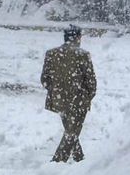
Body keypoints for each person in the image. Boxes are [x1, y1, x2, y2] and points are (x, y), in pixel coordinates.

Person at [41, 25, 97, 162]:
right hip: (79, 100)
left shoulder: (51, 53)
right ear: (78, 38)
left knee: (70, 130)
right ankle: (57, 162)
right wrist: (87, 96)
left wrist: (55, 91)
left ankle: (80, 159)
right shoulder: (82, 55)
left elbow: (44, 79)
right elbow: (91, 82)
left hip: (59, 101)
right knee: (72, 132)